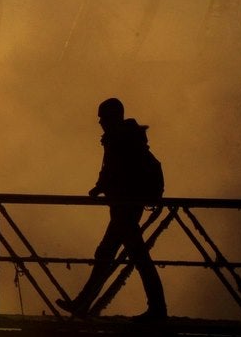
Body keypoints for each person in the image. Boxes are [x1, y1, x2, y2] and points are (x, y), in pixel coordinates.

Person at [58, 97, 168, 320]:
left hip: (125, 206)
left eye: (102, 118)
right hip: (125, 205)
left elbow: (115, 170)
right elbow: (112, 169)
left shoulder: (120, 139)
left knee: (129, 256)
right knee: (115, 254)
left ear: (111, 117)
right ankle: (83, 302)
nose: (100, 122)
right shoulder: (124, 138)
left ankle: (156, 309)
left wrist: (102, 187)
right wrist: (101, 187)